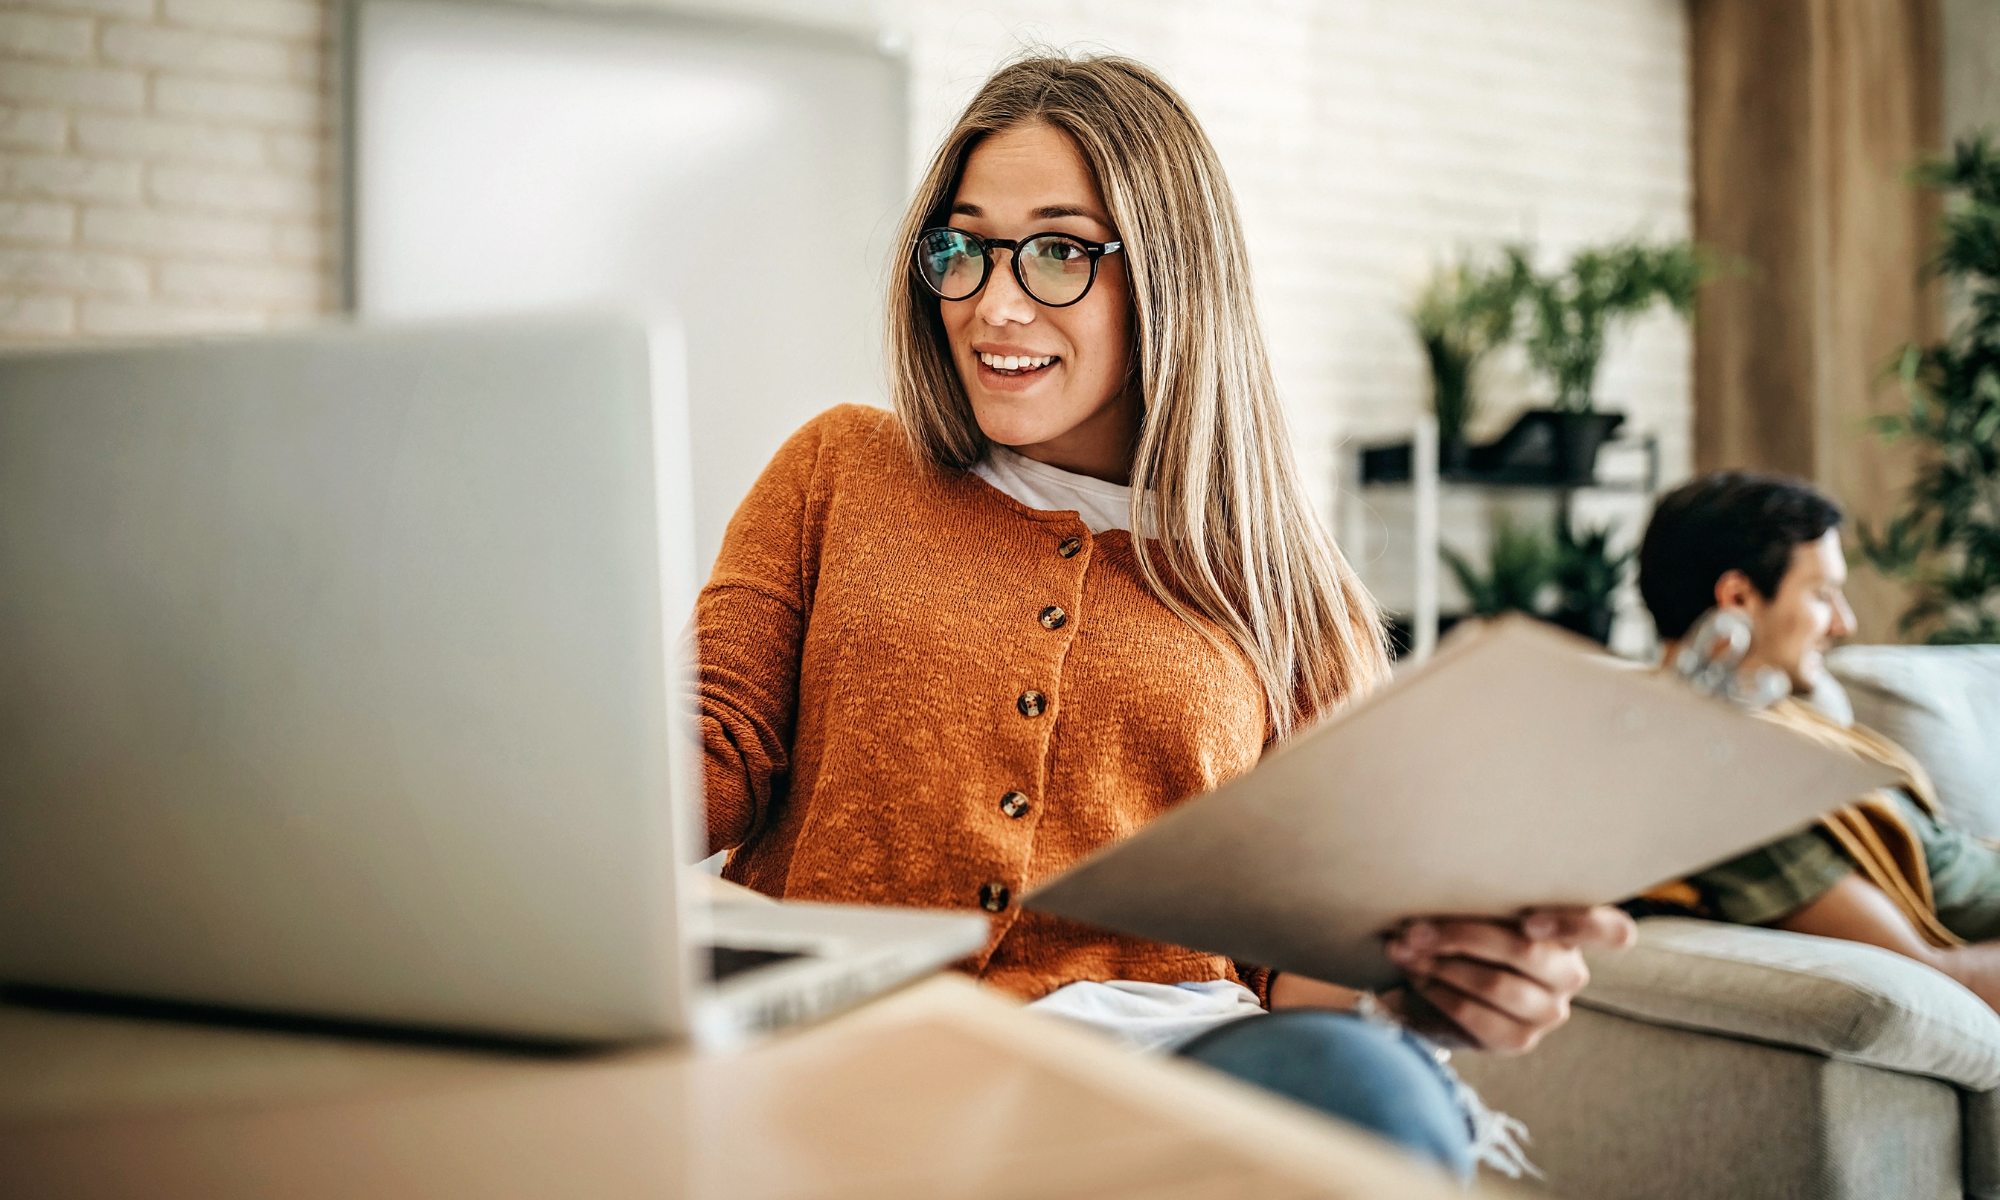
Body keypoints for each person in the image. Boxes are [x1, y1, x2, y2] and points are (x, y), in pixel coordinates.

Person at [697, 52, 1633, 1178]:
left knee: (1367, 1085)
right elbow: (712, 751)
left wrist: (1434, 973)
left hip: (1168, 1073)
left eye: (1055, 249)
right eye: (962, 248)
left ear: (1169, 275)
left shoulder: (1289, 593)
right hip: (862, 1048)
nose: (992, 302)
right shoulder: (841, 467)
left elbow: (1305, 969)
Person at [1635, 471, 2000, 1010]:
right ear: (1737, 597)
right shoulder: (1730, 782)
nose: (1844, 623)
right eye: (1822, 594)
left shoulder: (1774, 727)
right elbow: (1936, 982)